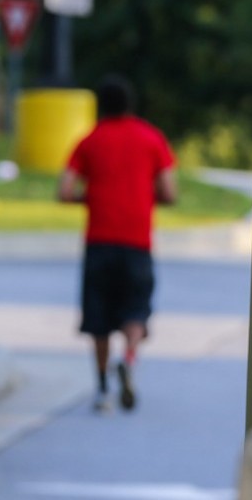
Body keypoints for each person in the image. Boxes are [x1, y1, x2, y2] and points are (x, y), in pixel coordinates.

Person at [58, 77, 177, 413]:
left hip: (99, 242)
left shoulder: (89, 141)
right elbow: (169, 192)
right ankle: (128, 358)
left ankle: (101, 389)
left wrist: (90, 196)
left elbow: (64, 191)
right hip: (137, 242)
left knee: (98, 320)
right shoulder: (152, 138)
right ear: (130, 103)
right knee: (136, 311)